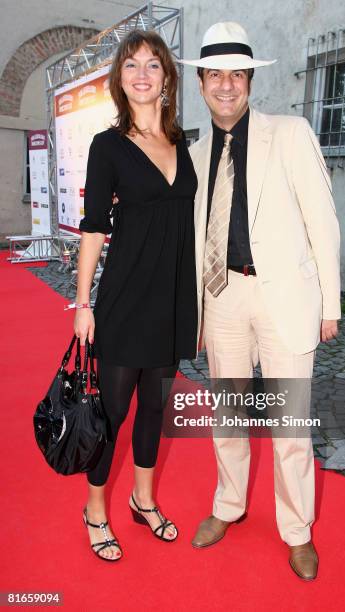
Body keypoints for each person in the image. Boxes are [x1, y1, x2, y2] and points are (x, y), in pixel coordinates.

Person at [179, 22, 341, 580]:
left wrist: (331, 304)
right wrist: (196, 312)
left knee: (290, 425)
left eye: (237, 74)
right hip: (222, 297)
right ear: (201, 83)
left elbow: (323, 218)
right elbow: (195, 236)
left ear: (251, 80)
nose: (226, 85)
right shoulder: (195, 154)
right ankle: (228, 504)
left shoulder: (290, 133)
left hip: (283, 298)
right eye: (215, 75)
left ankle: (297, 530)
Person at [74, 29, 198, 561]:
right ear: (119, 80)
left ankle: (143, 499)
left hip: (172, 299)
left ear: (167, 77)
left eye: (153, 64)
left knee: (155, 409)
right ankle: (95, 508)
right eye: (131, 66)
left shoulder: (183, 143)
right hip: (125, 298)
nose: (142, 74)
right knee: (113, 411)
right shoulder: (108, 147)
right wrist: (83, 305)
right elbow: (93, 229)